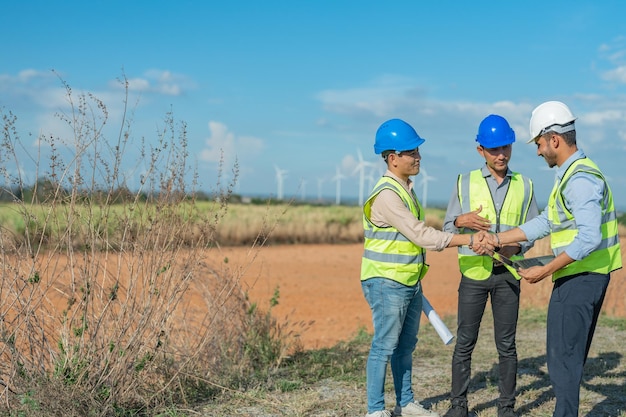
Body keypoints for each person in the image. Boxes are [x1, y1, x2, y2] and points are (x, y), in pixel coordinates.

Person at [476, 101, 622, 417]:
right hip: (580, 275)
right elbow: (546, 222)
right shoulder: (569, 175)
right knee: (565, 358)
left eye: (540, 144)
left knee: (563, 360)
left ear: (554, 139)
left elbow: (589, 237)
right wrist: (500, 239)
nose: (539, 151)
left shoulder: (580, 178)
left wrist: (545, 269)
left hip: (582, 277)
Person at [361, 119, 493, 417]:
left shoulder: (405, 190)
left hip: (408, 281)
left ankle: (405, 403)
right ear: (392, 158)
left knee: (406, 346)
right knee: (384, 346)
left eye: (417, 150)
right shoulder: (387, 195)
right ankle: (375, 410)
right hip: (386, 282)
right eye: (411, 152)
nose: (418, 156)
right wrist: (468, 241)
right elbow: (421, 235)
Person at [441, 115, 539, 417]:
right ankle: (459, 406)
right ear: (480, 150)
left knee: (507, 345)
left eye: (505, 148)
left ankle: (506, 408)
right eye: (494, 149)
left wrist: (515, 246)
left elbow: (534, 230)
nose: (501, 155)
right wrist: (460, 221)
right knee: (465, 343)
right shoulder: (464, 181)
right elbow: (447, 228)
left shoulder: (525, 184)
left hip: (507, 275)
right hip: (473, 274)